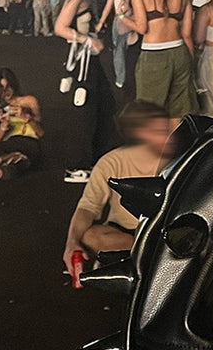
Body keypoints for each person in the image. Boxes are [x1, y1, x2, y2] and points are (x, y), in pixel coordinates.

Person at [61, 101, 177, 275]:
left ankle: (127, 260)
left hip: (160, 230)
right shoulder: (111, 162)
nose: (164, 137)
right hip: (122, 234)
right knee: (89, 236)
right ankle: (141, 258)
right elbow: (88, 207)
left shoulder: (176, 160)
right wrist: (72, 243)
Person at [53, 0, 116, 182]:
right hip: (82, 62)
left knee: (103, 106)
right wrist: (88, 40)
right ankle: (76, 166)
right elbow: (60, 28)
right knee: (84, 111)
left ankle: (92, 159)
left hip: (89, 60)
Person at [127, 0, 197, 116]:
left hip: (154, 54)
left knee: (149, 111)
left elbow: (142, 28)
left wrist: (122, 16)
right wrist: (191, 61)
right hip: (180, 52)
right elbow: (187, 34)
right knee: (179, 111)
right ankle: (177, 135)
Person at [0, 67, 44, 175]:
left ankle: (6, 160)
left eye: (8, 86)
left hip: (29, 144)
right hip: (8, 145)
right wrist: (3, 125)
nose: (6, 91)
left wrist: (26, 118)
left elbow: (41, 133)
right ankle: (10, 159)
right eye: (1, 88)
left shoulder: (29, 101)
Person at [98, 0, 138, 89]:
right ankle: (132, 74)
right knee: (130, 48)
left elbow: (107, 9)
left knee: (118, 49)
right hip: (131, 19)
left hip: (119, 20)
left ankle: (120, 78)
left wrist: (100, 22)